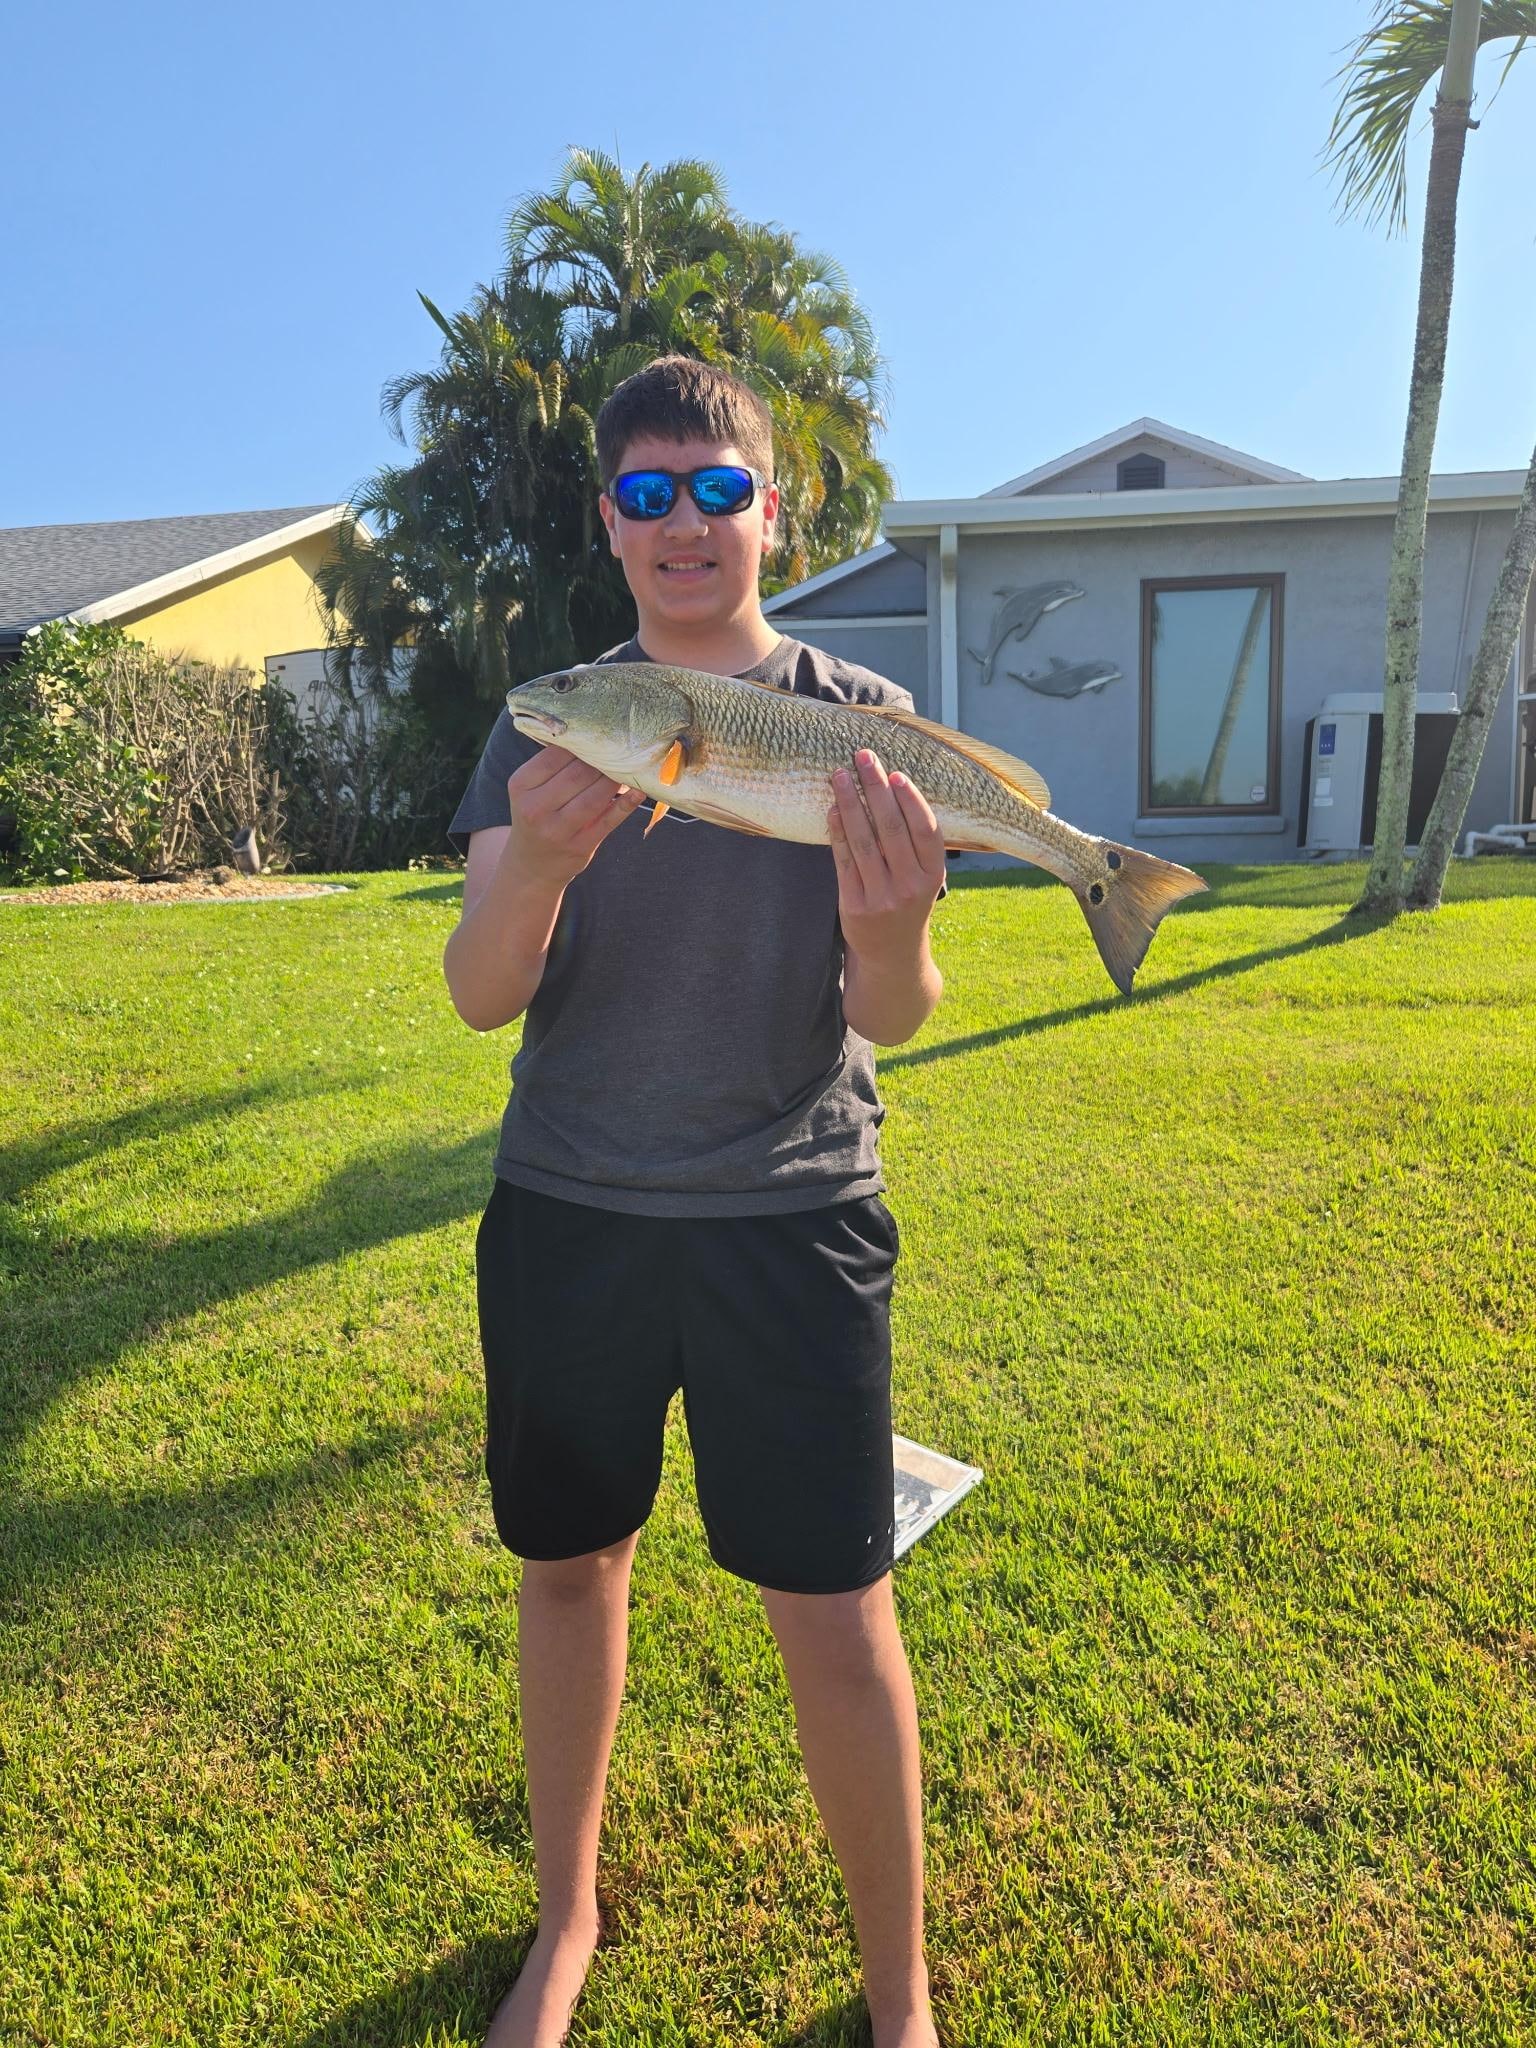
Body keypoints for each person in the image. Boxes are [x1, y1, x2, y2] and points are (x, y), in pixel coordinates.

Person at [441, 354, 949, 2048]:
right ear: (610, 520)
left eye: (716, 490)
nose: (684, 524)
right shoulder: (551, 725)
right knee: (570, 1568)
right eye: (648, 493)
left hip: (792, 1217)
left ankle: (900, 1999)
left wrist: (887, 929)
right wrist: (552, 863)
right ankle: (565, 1923)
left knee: (833, 1604)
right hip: (570, 1210)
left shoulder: (857, 728)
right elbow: (480, 991)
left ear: (769, 509)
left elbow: (892, 1012)